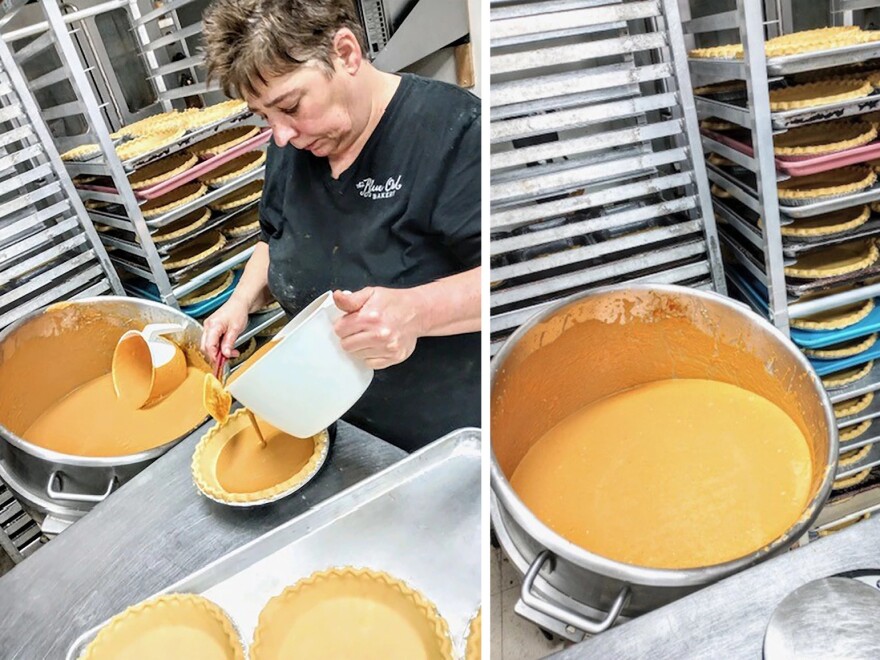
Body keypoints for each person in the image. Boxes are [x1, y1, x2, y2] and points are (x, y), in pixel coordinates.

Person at [200, 0, 480, 452]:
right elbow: (274, 238)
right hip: (332, 431)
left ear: (346, 54)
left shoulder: (455, 133)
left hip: (436, 443)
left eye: (289, 105)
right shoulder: (296, 144)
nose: (280, 135)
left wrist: (418, 311)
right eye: (264, 117)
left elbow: (516, 279)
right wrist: (240, 304)